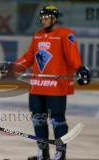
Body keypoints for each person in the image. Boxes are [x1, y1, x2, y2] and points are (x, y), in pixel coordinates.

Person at [12, 5, 91, 160]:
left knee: (57, 120)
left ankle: (60, 153)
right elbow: (29, 57)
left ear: (55, 19)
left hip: (56, 86)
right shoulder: (38, 35)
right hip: (37, 85)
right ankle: (43, 152)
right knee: (38, 119)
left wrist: (80, 68)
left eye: (47, 17)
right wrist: (13, 68)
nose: (44, 20)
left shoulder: (65, 34)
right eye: (42, 17)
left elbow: (72, 56)